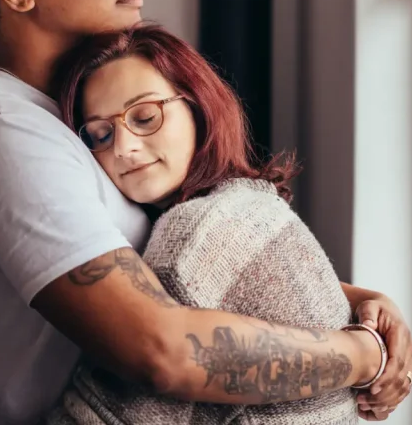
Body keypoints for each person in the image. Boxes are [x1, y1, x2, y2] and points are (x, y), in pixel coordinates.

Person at [0, 0, 412, 425]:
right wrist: (363, 354)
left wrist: (358, 304)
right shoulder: (13, 139)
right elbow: (161, 350)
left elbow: (178, 268)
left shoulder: (68, 113)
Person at [42, 23, 374, 424]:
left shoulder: (194, 232)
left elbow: (108, 416)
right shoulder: (251, 204)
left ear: (198, 105)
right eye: (100, 134)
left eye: (145, 117)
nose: (124, 147)